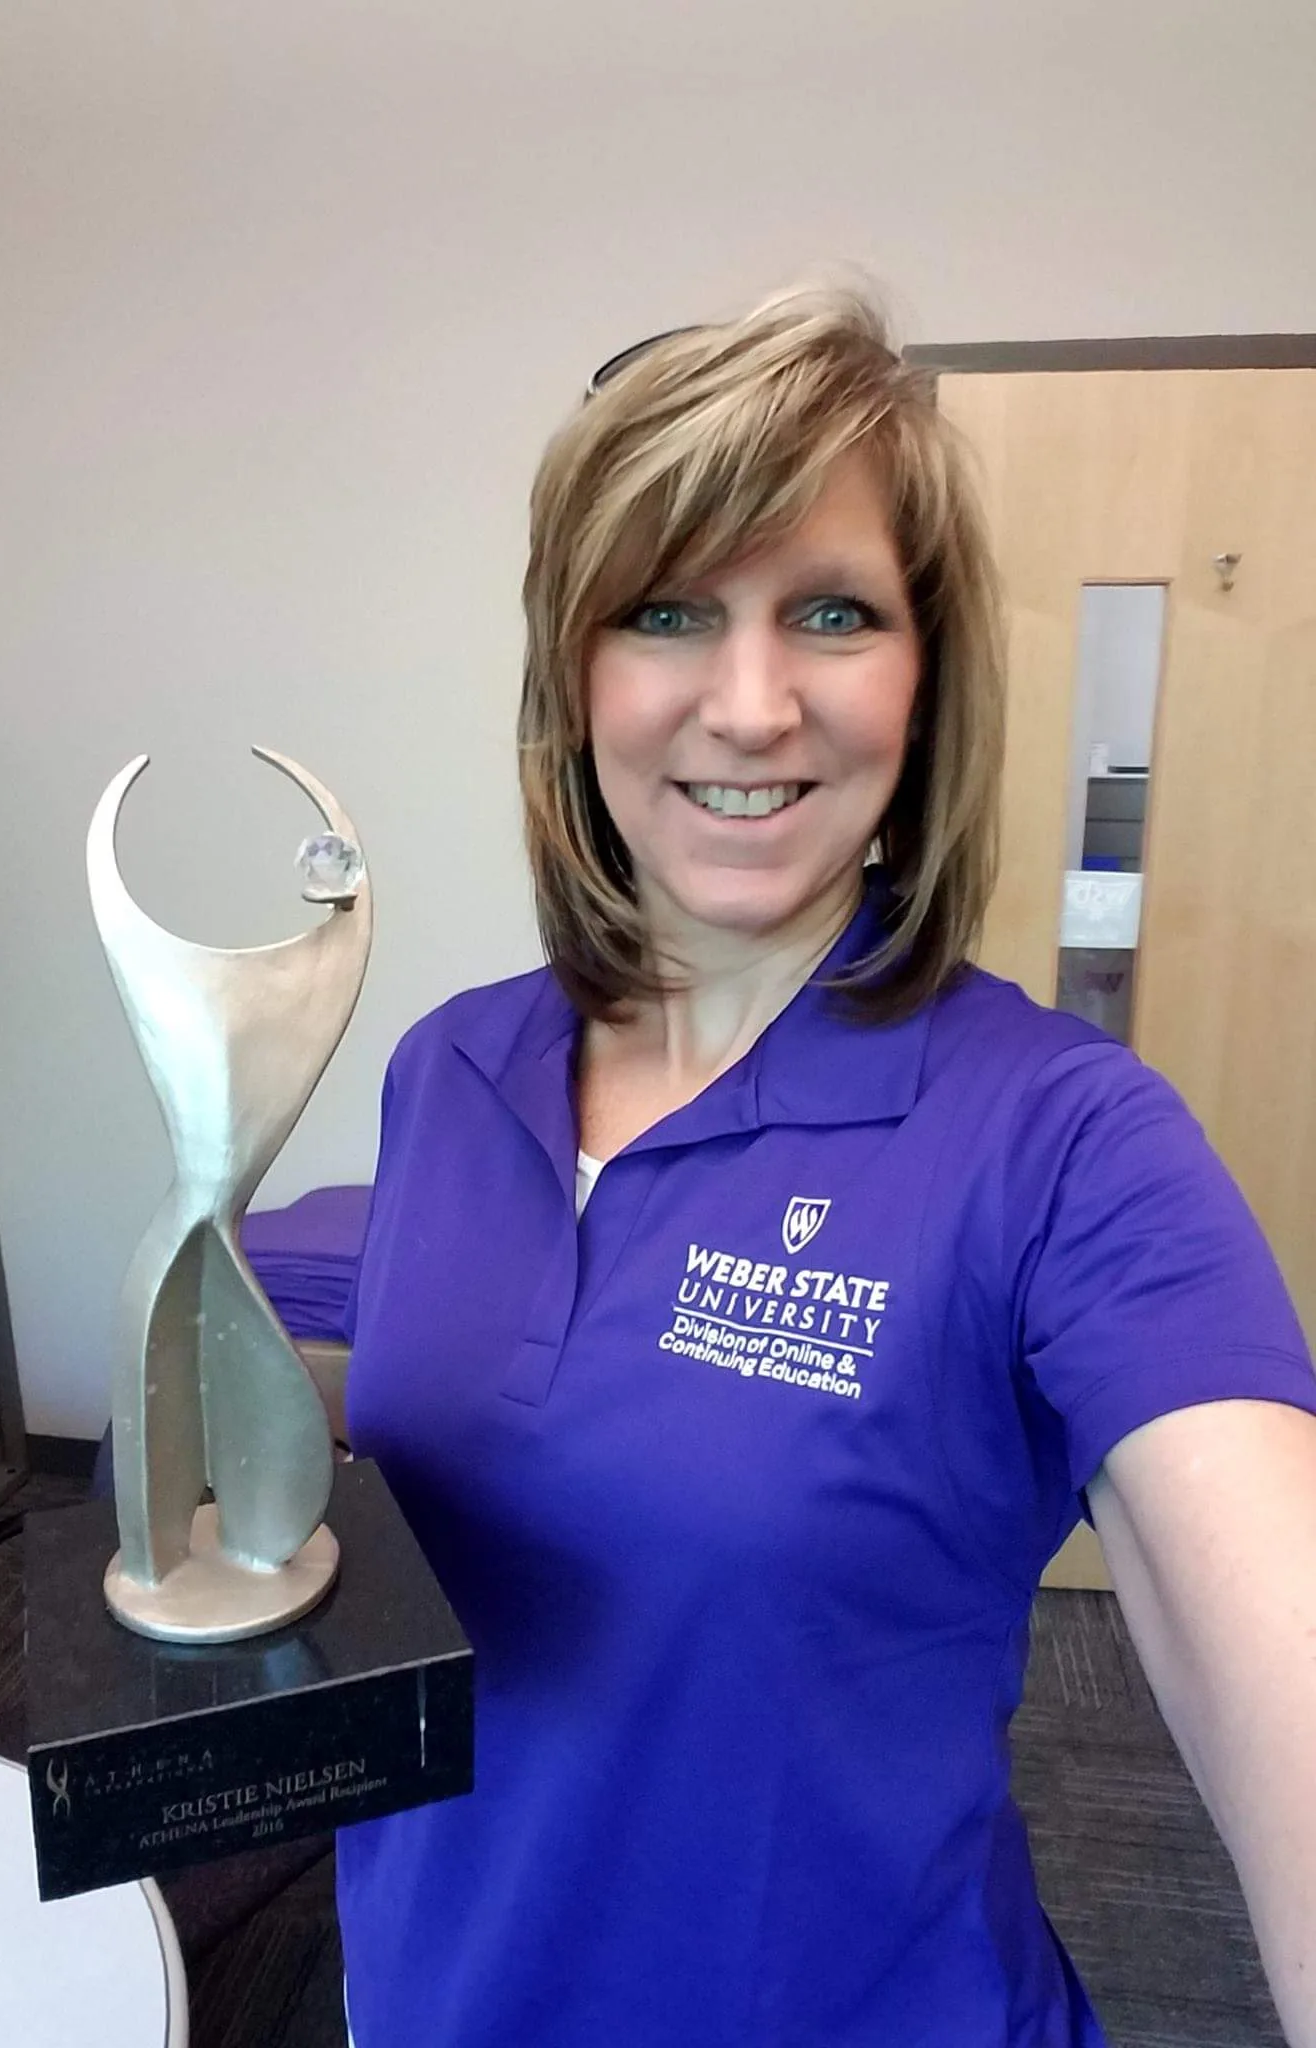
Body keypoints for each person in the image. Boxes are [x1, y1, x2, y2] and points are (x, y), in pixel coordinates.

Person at [336, 286, 1316, 2048]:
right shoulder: (449, 1067)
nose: (751, 704)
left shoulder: (1066, 1140)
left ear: (925, 679)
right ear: (575, 673)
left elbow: (1265, 1616)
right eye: (667, 611)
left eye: (834, 612)